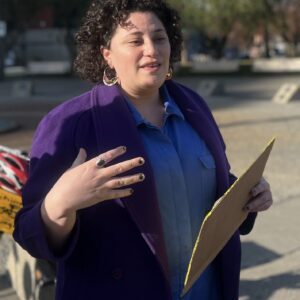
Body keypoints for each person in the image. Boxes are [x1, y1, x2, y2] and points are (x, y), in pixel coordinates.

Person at [13, 0, 273, 299]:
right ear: (107, 54)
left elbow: (213, 183)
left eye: (159, 38)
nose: (152, 49)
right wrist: (60, 203)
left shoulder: (194, 106)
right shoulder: (69, 123)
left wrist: (249, 195)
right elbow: (30, 235)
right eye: (135, 40)